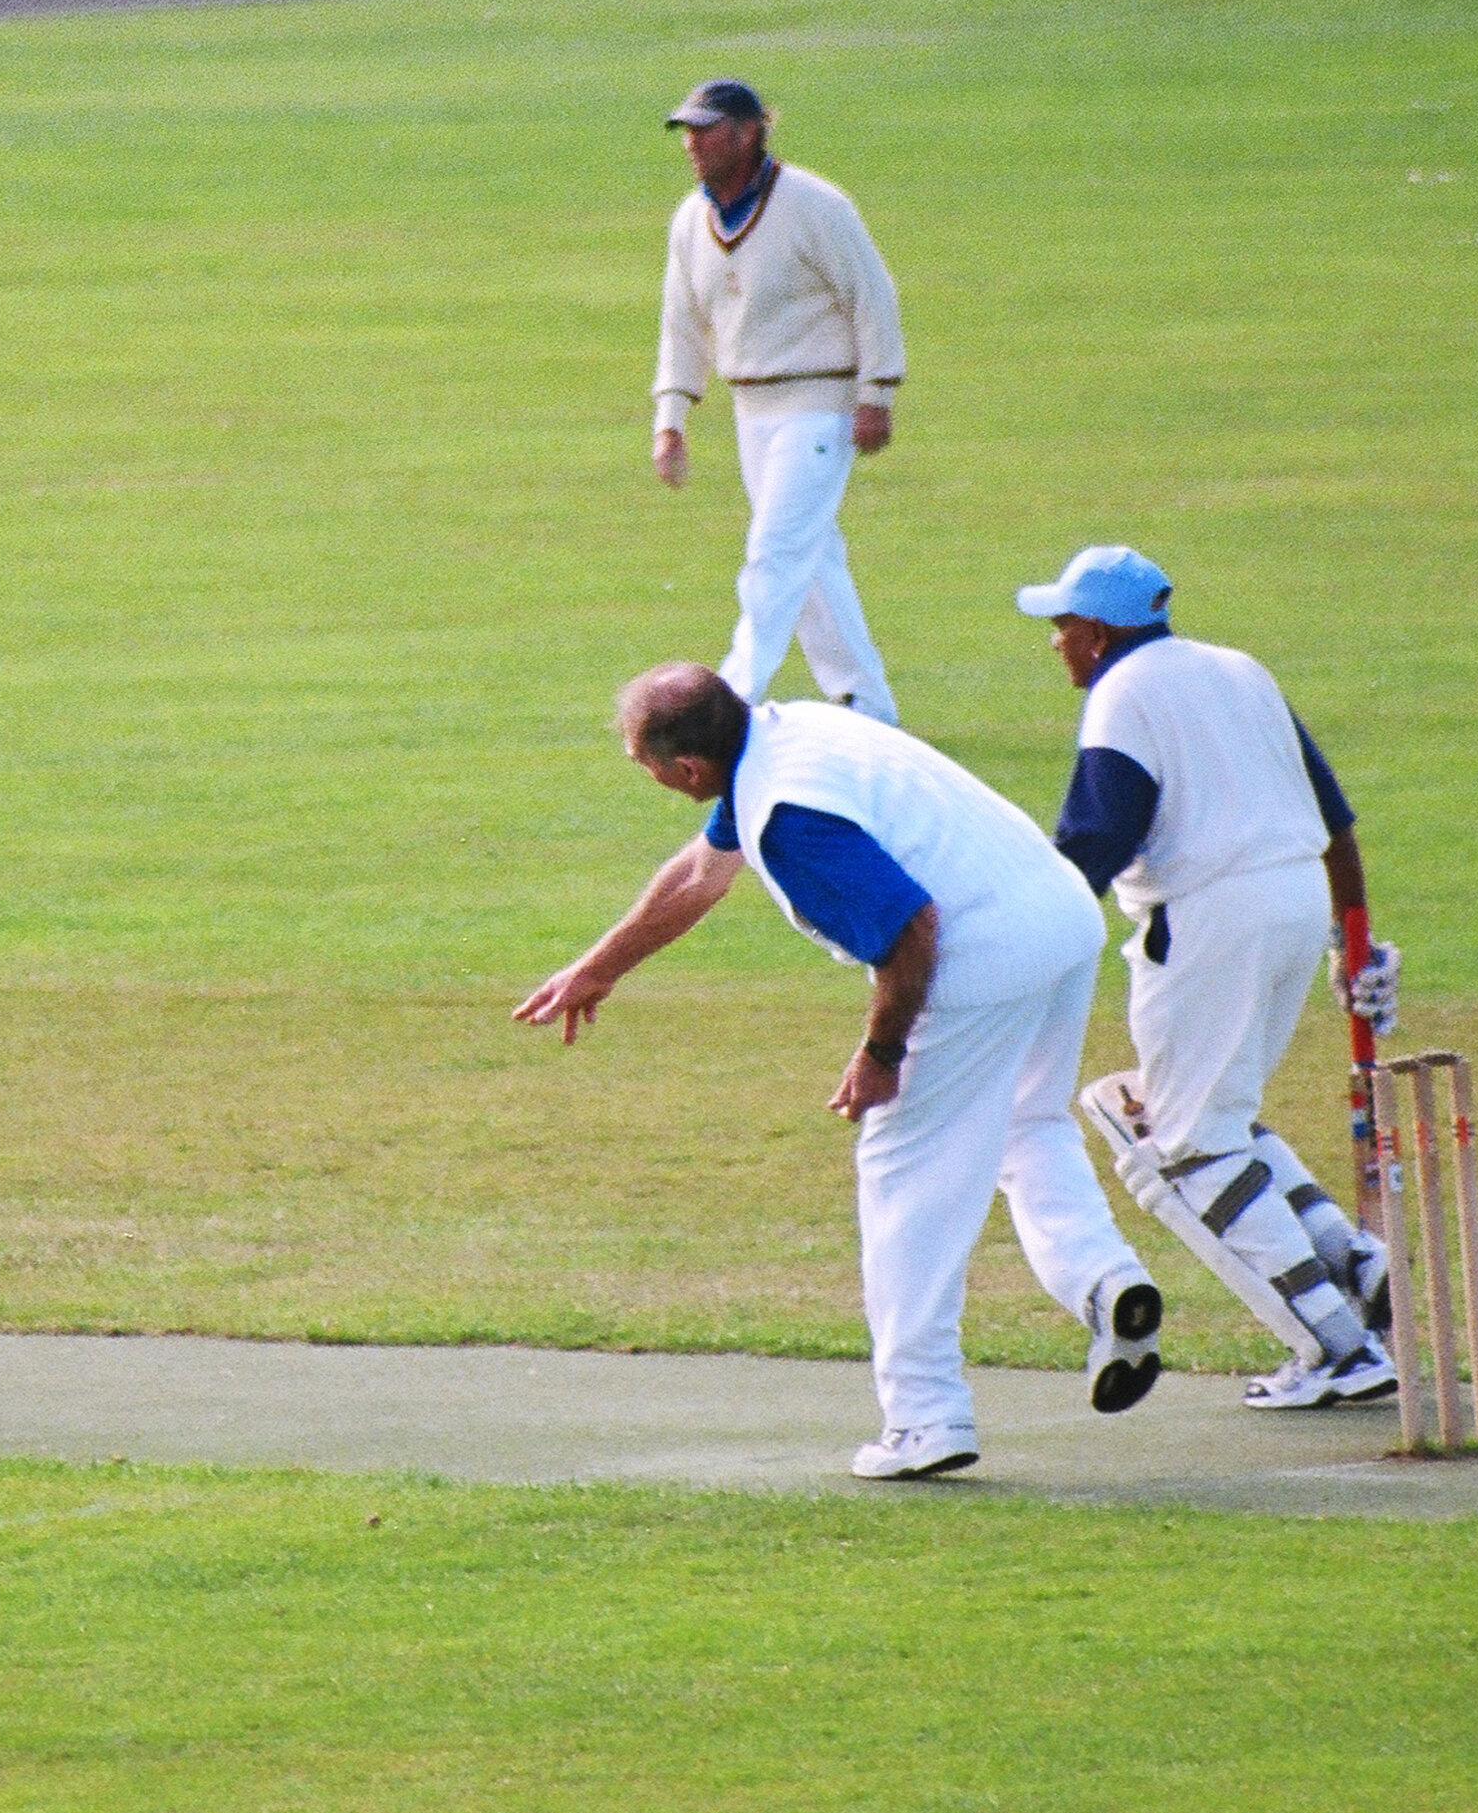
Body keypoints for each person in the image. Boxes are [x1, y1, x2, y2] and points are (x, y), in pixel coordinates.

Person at [516, 662, 1166, 1480]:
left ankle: (925, 1416)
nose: (640, 772)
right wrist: (598, 967)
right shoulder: (782, 734)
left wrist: (881, 1055)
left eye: (641, 761)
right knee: (1026, 1123)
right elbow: (699, 872)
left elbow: (911, 931)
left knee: (903, 1179)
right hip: (1061, 918)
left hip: (982, 954)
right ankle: (1106, 1284)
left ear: (686, 767)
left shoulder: (790, 821)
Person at [1016, 545, 1403, 1411]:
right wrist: (1352, 939)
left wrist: (1020, 939)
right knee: (1221, 1120)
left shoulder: (1121, 692)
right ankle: (1355, 1263)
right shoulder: (1239, 668)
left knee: (1186, 1148)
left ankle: (1338, 1347)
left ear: (1099, 630)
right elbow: (1335, 818)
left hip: (1205, 919)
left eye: (1063, 624)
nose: (1054, 641)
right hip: (1295, 903)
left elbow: (1095, 842)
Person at [649, 80, 906, 725]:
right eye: (686, 131)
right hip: (751, 411)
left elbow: (872, 294)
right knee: (812, 558)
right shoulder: (690, 221)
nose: (692, 143)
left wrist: (876, 392)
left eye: (705, 129)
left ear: (748, 133)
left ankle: (729, 703)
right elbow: (681, 325)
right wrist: (671, 420)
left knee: (776, 550)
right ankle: (867, 702)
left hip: (820, 405)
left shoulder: (814, 205)